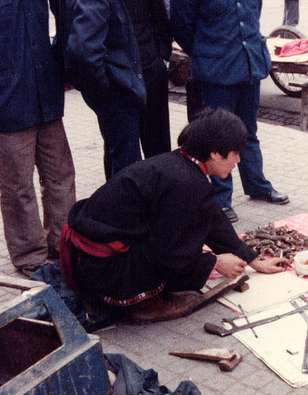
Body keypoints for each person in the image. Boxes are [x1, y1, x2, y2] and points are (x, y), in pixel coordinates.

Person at [61, 109, 288, 307]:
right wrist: (215, 262)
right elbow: (169, 252)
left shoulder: (182, 162)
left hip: (90, 259)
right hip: (105, 271)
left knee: (188, 242)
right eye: (235, 153)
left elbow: (211, 217)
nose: (237, 161)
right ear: (215, 153)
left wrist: (252, 259)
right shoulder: (186, 181)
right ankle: (137, 302)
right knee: (182, 261)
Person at [172, 0, 290, 224]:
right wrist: (205, 49)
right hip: (217, 68)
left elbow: (254, 11)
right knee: (218, 136)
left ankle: (257, 185)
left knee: (248, 131)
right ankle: (221, 199)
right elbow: (181, 25)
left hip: (249, 63)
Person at [0, 0, 76, 278]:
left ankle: (62, 242)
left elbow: (64, 20)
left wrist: (62, 66)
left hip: (46, 95)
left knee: (60, 174)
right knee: (18, 185)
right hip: (9, 103)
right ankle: (30, 255)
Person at [63, 0, 146, 180]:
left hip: (115, 87)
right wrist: (105, 88)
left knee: (118, 157)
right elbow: (83, 51)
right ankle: (123, 198)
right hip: (117, 89)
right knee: (126, 167)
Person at [125, 0, 173, 160]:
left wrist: (162, 57)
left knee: (157, 143)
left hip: (150, 67)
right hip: (116, 74)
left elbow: (161, 18)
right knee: (122, 150)